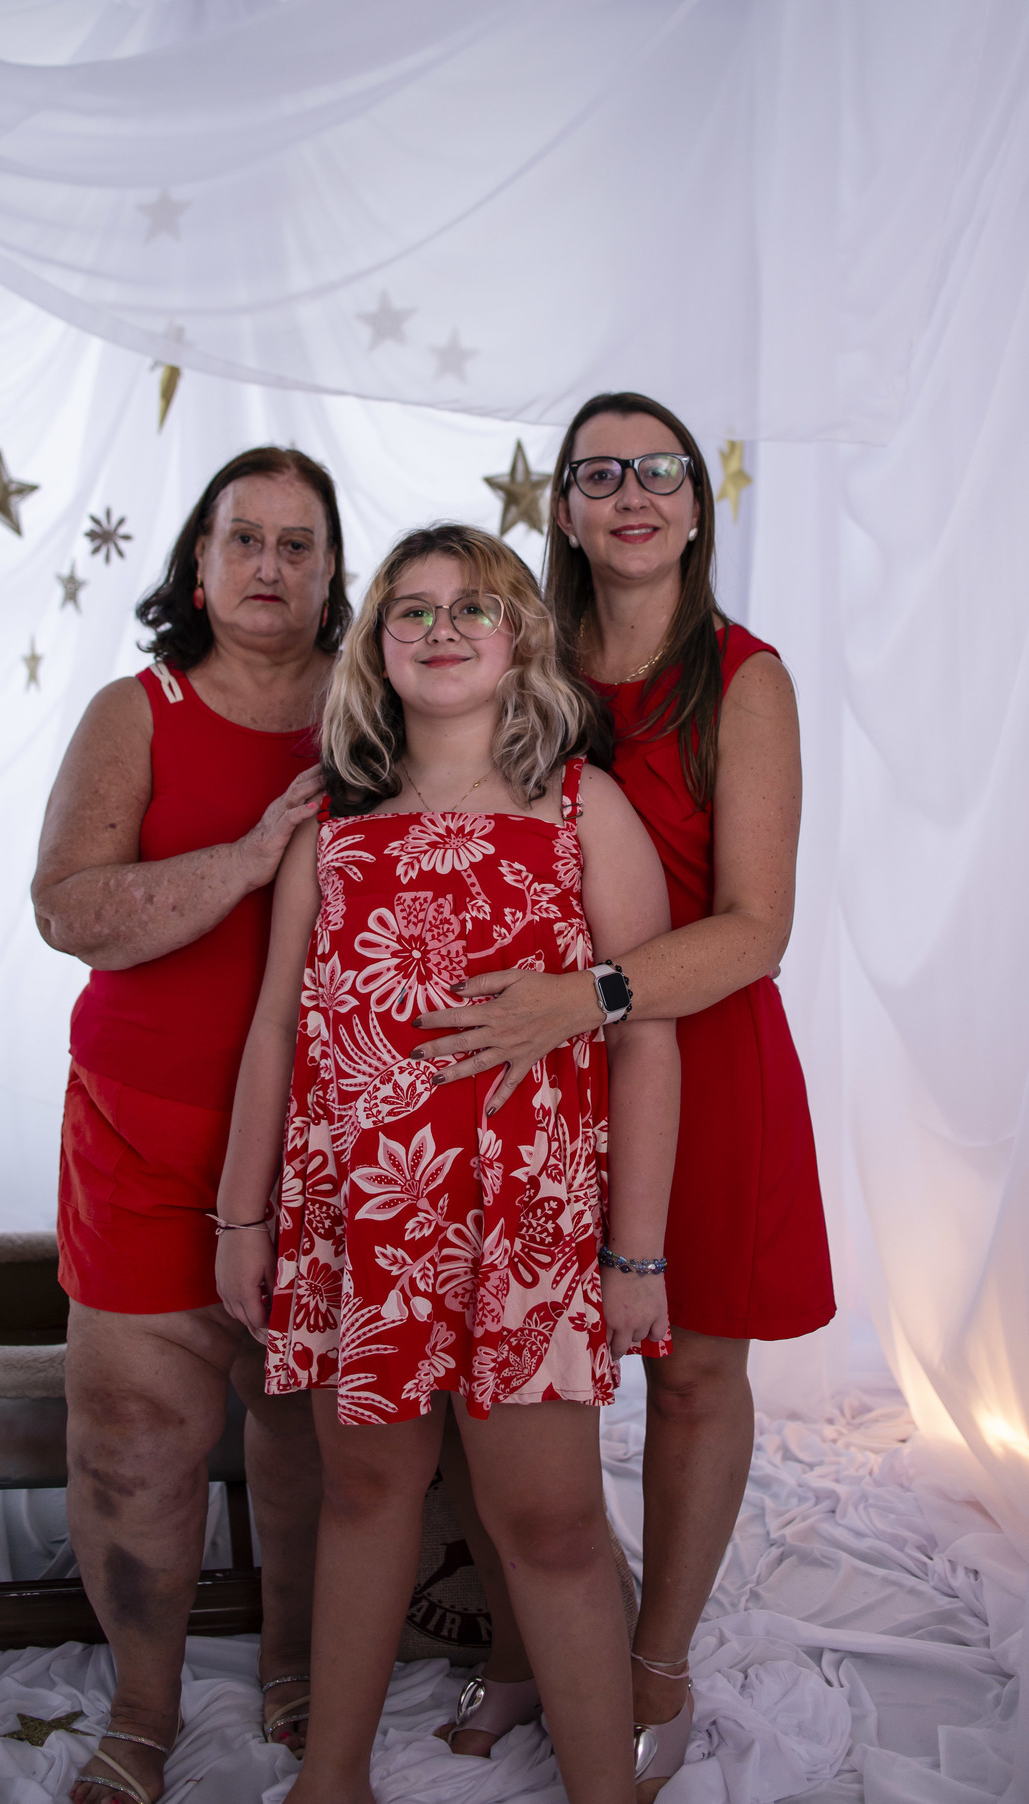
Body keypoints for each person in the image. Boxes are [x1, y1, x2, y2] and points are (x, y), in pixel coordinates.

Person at [215, 523, 680, 1804]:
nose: (440, 629)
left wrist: (636, 1253)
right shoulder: (333, 827)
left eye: (472, 606)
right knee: (366, 1490)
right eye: (409, 610)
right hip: (363, 1221)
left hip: (527, 1222)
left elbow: (648, 1036)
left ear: (522, 640)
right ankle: (331, 1781)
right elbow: (275, 1029)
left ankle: (602, 1788)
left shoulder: (582, 807)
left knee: (552, 1521)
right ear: (374, 649)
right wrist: (243, 1221)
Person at [415, 394, 836, 1798]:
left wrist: (587, 997)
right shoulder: (519, 655)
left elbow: (759, 926)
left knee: (695, 1371)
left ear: (699, 506)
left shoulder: (745, 680)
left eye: (662, 470)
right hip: (524, 1068)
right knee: (512, 1373)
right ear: (567, 510)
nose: (635, 494)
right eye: (602, 474)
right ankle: (534, 1633)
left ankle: (655, 1656)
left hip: (699, 1052)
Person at [31, 446, 349, 1804]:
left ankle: (298, 1664)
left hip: (327, 1142)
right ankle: (143, 1711)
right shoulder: (137, 710)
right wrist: (248, 858)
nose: (270, 565)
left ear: (333, 571)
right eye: (244, 539)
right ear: (200, 567)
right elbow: (67, 908)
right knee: (130, 1438)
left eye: (298, 543)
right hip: (142, 1133)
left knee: (308, 1426)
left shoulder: (380, 705)